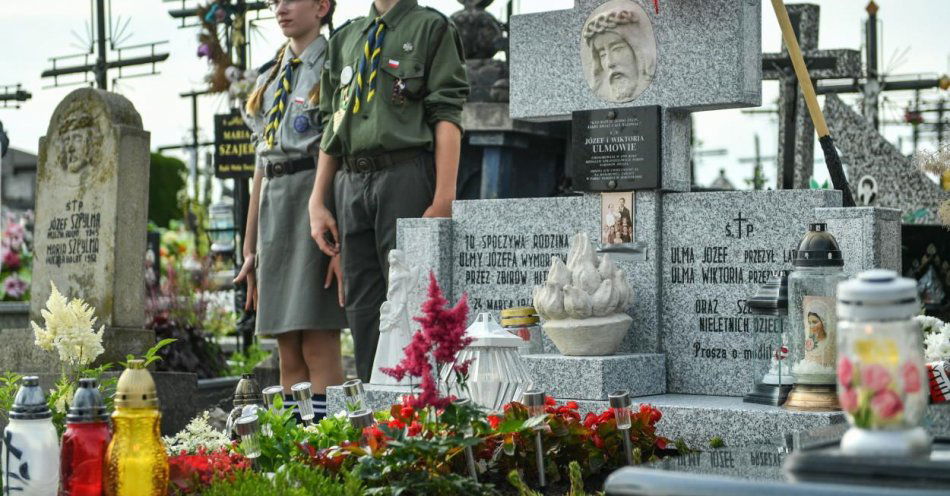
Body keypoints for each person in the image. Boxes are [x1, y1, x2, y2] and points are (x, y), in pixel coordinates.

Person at [309, 0, 470, 382]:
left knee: (414, 298)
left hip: (405, 175)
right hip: (350, 181)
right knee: (364, 308)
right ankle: (374, 414)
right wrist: (318, 201)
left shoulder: (431, 28)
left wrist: (444, 198)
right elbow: (331, 130)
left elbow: (447, 114)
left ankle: (421, 410)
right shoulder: (345, 38)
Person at [235, 0, 344, 421]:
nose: (279, 8)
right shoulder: (269, 79)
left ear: (321, 6)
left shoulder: (334, 65)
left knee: (318, 339)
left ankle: (329, 445)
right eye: (274, 1)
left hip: (314, 203)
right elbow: (261, 167)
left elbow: (337, 153)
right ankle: (296, 450)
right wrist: (250, 248)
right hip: (275, 211)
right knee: (286, 347)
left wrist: (341, 236)